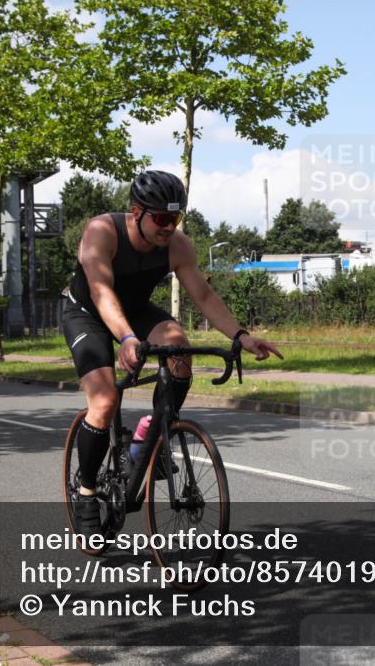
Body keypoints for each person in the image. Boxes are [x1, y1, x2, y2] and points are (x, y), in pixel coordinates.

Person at [61, 170, 283, 536]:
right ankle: (86, 491)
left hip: (134, 310)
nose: (169, 228)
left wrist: (242, 336)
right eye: (162, 219)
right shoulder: (101, 231)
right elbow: (101, 292)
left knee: (178, 343)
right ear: (136, 212)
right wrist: (129, 338)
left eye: (175, 218)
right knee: (103, 402)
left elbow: (204, 295)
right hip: (87, 313)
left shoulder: (178, 245)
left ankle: (153, 434)